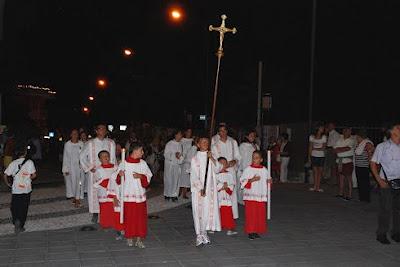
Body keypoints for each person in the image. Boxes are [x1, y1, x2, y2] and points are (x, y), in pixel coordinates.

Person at [80, 123, 116, 223]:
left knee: (109, 191)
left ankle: (109, 212)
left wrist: (114, 170)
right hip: (95, 172)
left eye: (105, 129)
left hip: (108, 172)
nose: (103, 131)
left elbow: (113, 158)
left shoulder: (111, 143)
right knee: (94, 193)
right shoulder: (90, 143)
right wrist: (89, 167)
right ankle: (95, 213)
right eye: (101, 129)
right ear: (96, 131)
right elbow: (82, 156)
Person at [370, 123, 400, 244]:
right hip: (386, 182)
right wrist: (379, 180)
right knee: (385, 209)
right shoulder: (382, 147)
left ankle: (397, 233)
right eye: (398, 127)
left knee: (398, 209)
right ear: (392, 132)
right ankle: (381, 234)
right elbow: (373, 164)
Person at [118, 142, 152, 248]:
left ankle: (139, 239)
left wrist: (141, 176)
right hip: (128, 195)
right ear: (135, 150)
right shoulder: (123, 163)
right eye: (141, 150)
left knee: (140, 219)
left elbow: (148, 176)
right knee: (129, 218)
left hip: (139, 195)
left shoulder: (142, 163)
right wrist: (120, 175)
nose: (142, 153)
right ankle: (129, 237)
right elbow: (118, 180)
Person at [190, 136, 221, 246]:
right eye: (203, 142)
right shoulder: (195, 159)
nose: (205, 144)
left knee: (207, 211)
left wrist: (212, 158)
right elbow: (194, 175)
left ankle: (204, 232)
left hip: (210, 189)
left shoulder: (211, 156)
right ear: (198, 145)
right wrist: (200, 188)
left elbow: (218, 169)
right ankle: (198, 234)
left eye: (207, 142)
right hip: (199, 190)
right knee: (198, 211)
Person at [3, 145, 37, 234]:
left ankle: (16, 221)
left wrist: (8, 183)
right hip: (26, 189)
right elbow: (34, 175)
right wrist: (28, 177)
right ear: (25, 153)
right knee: (24, 207)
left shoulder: (13, 163)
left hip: (16, 189)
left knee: (15, 206)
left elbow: (5, 175)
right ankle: (21, 225)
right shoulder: (29, 162)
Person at [211, 124, 241, 219]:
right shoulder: (215, 144)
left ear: (227, 131)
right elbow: (214, 158)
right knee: (221, 192)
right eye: (220, 131)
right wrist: (221, 166)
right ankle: (221, 215)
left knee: (231, 191)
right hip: (220, 170)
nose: (222, 133)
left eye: (224, 130)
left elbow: (238, 156)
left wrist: (234, 161)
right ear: (218, 132)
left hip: (231, 170)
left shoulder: (233, 142)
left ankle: (233, 215)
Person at [240, 150, 271, 240]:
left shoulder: (264, 170)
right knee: (251, 214)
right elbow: (242, 180)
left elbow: (268, 180)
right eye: (253, 157)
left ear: (261, 159)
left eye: (257, 158)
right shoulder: (248, 169)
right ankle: (250, 231)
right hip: (250, 195)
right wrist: (251, 180)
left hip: (260, 195)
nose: (254, 159)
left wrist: (269, 181)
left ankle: (256, 230)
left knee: (259, 214)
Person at [94, 150, 119, 230]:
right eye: (103, 156)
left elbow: (118, 177)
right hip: (104, 192)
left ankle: (114, 222)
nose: (106, 158)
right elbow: (101, 181)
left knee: (114, 208)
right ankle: (105, 224)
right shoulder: (99, 169)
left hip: (114, 192)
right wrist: (112, 181)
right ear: (100, 159)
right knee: (105, 209)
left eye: (107, 156)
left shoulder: (115, 167)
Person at [62, 129, 85, 207]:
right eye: (73, 133)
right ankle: (75, 197)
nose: (75, 135)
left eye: (76, 133)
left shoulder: (81, 144)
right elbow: (65, 157)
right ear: (70, 135)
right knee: (72, 183)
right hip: (71, 167)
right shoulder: (67, 144)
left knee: (79, 182)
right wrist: (65, 169)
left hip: (79, 167)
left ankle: (78, 199)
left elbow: (84, 155)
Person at [216, 157, 237, 236]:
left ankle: (229, 228)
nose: (223, 165)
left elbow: (232, 184)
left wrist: (227, 187)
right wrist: (221, 186)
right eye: (221, 163)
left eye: (224, 163)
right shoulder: (215, 175)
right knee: (217, 211)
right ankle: (215, 226)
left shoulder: (229, 175)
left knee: (227, 212)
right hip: (218, 196)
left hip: (226, 196)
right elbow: (213, 184)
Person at [334, 127, 356, 201]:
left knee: (349, 178)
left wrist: (340, 149)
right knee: (341, 177)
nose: (347, 132)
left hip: (347, 161)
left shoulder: (352, 140)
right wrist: (341, 149)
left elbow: (348, 148)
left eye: (348, 131)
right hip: (339, 161)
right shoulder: (339, 140)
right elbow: (335, 150)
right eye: (345, 131)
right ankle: (341, 193)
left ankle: (349, 195)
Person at [238, 129, 259, 204]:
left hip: (254, 168)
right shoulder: (243, 145)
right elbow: (241, 158)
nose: (253, 137)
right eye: (251, 135)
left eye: (254, 136)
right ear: (247, 136)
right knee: (244, 185)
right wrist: (242, 168)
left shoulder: (255, 145)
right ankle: (242, 200)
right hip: (245, 168)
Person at [163, 130, 184, 201]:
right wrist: (173, 155)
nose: (180, 136)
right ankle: (167, 194)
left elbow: (181, 155)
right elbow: (166, 154)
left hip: (177, 165)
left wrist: (179, 157)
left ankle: (174, 195)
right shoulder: (169, 144)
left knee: (176, 180)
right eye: (179, 134)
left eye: (181, 135)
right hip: (170, 165)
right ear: (175, 135)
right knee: (169, 180)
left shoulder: (180, 144)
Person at [354, 130, 374, 203]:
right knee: (360, 182)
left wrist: (370, 162)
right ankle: (362, 198)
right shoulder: (360, 144)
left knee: (365, 183)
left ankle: (366, 198)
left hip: (364, 166)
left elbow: (371, 151)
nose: (356, 138)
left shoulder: (367, 143)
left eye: (357, 137)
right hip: (358, 165)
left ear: (360, 137)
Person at [308, 124, 327, 192]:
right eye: (321, 127)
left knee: (320, 172)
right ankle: (315, 186)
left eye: (323, 128)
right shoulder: (312, 136)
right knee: (315, 172)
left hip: (321, 156)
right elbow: (310, 147)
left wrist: (315, 148)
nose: (323, 129)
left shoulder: (324, 137)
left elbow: (323, 148)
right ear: (318, 128)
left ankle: (318, 187)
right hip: (313, 155)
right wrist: (309, 157)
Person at [180, 128, 194, 199]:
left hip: (189, 160)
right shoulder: (182, 140)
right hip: (182, 160)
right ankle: (180, 191)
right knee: (181, 176)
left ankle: (184, 193)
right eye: (188, 131)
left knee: (187, 177)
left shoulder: (192, 140)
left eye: (190, 132)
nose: (189, 133)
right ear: (185, 132)